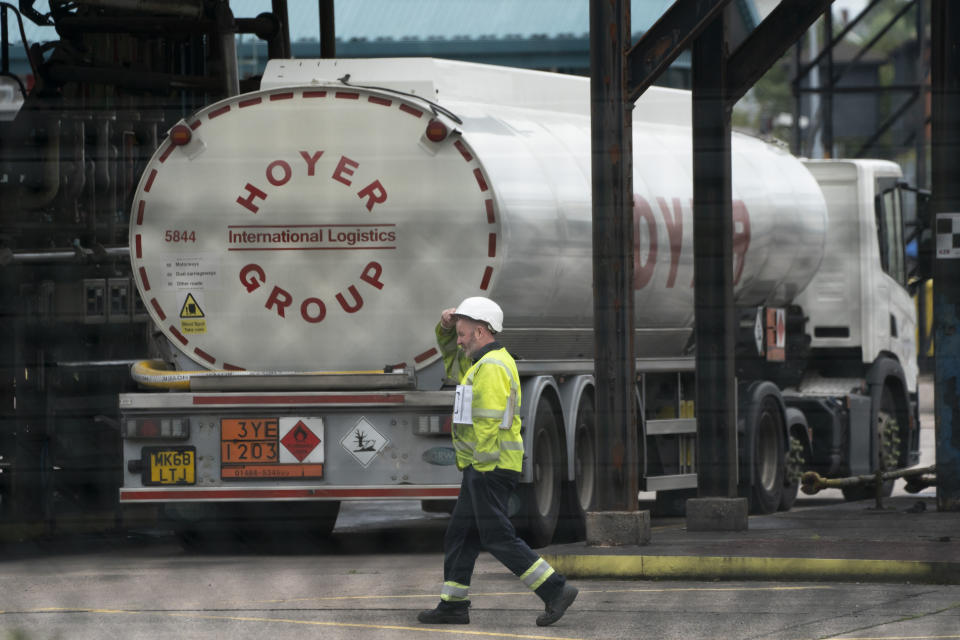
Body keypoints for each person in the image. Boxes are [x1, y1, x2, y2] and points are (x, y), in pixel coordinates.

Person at [417, 296, 578, 627]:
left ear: (479, 332)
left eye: (462, 334)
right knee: (461, 534)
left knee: (497, 536)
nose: (459, 340)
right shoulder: (481, 362)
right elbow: (450, 360)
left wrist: (481, 464)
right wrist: (446, 329)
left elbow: (489, 422)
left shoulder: (490, 368)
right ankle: (453, 605)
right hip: (482, 465)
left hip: (489, 465)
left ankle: (555, 589)